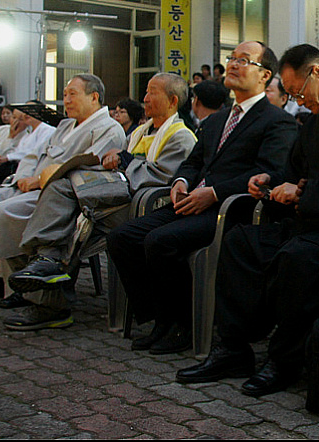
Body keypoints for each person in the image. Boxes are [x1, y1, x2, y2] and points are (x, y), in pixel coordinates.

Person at [176, 44, 319, 397]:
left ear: (318, 73)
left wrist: (301, 193)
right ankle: (232, 348)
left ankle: (284, 360)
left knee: (297, 259)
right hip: (308, 223)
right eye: (291, 95)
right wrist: (269, 184)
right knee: (240, 242)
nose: (298, 101)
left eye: (298, 92)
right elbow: (291, 173)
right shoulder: (313, 122)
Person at [107, 42, 297, 355]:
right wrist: (181, 182)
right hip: (192, 203)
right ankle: (161, 317)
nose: (234, 65)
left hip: (231, 210)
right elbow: (194, 162)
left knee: (160, 242)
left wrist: (214, 193)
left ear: (265, 75)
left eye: (243, 61)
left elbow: (269, 172)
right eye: (231, 58)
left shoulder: (277, 121)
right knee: (122, 238)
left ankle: (184, 324)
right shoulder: (217, 120)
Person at [1, 73, 198, 331]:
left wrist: (124, 160)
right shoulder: (142, 131)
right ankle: (47, 285)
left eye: (152, 93)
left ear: (172, 101)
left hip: (142, 206)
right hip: (117, 196)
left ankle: (49, 292)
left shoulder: (181, 136)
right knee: (67, 201)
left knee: (71, 205)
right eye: (146, 92)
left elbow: (161, 177)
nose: (145, 98)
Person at [0, 75, 125, 320]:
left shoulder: (109, 128)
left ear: (94, 97)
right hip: (29, 184)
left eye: (73, 94)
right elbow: (35, 155)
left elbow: (87, 169)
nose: (66, 100)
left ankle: (32, 289)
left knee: (2, 212)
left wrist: (40, 180)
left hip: (59, 194)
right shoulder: (64, 125)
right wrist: (24, 177)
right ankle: (5, 275)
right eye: (64, 94)